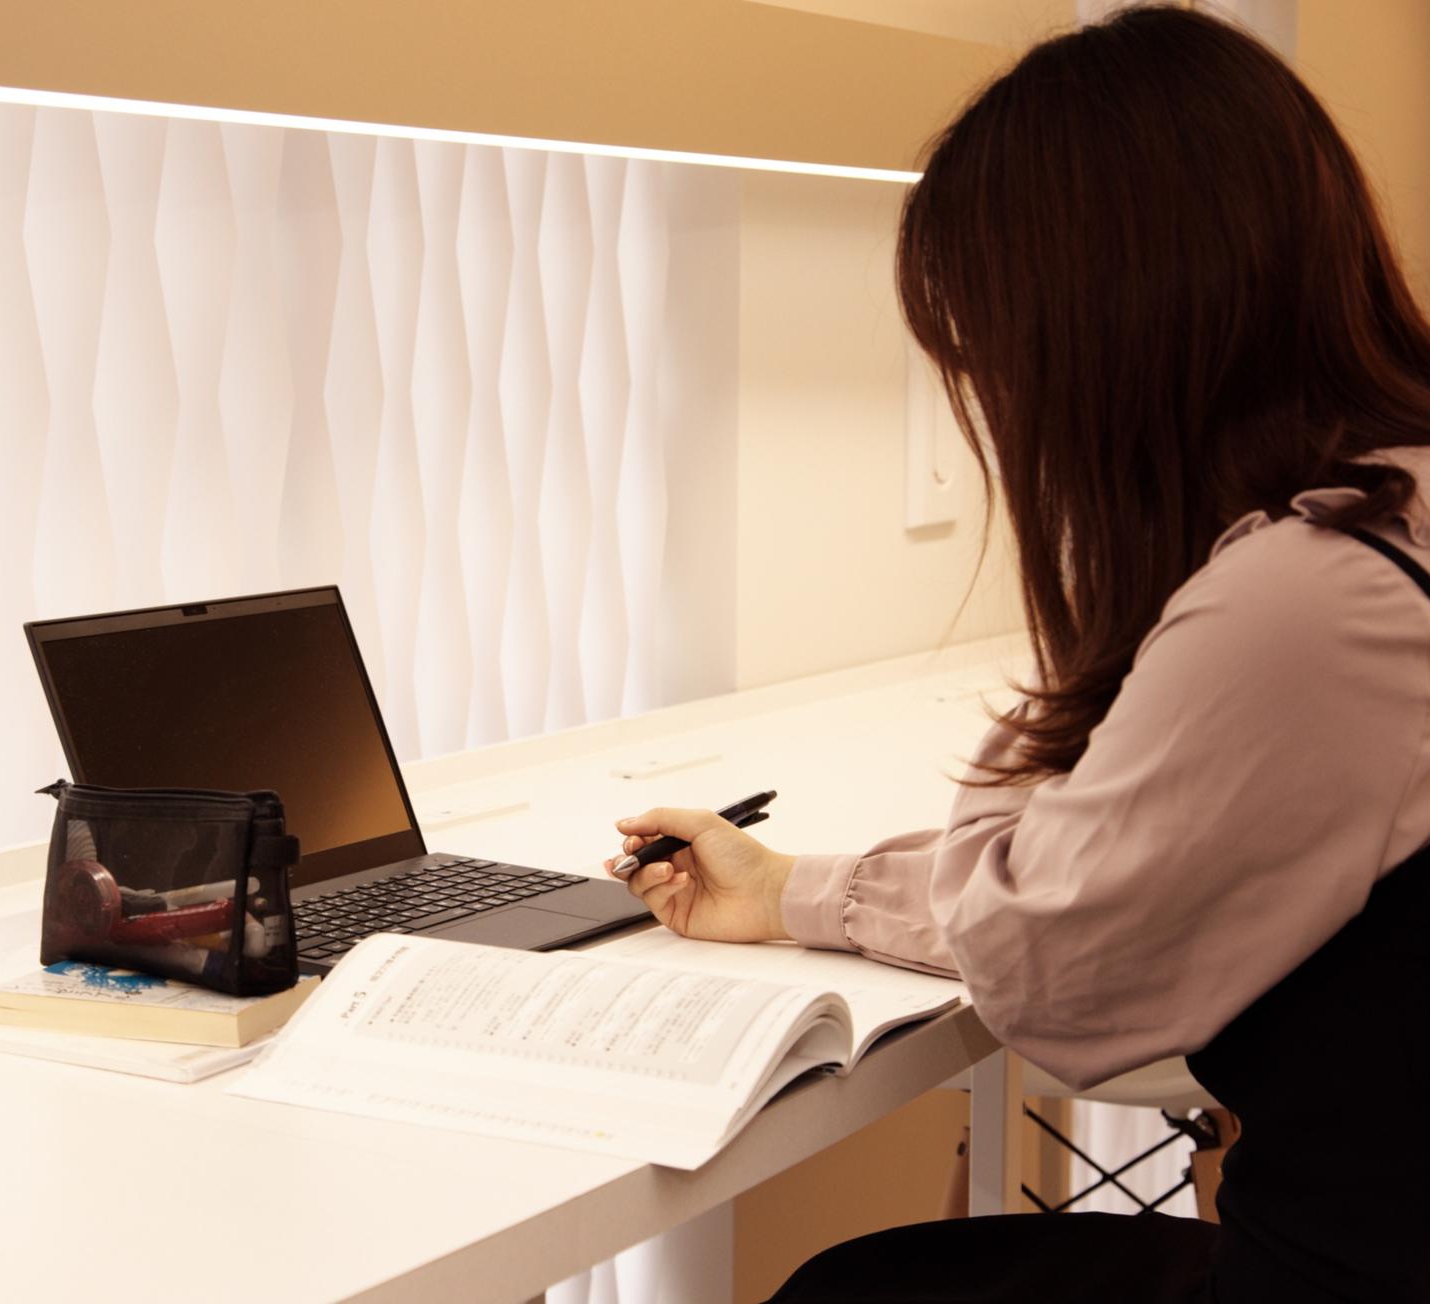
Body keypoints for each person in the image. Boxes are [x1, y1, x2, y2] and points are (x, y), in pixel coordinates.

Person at [606, 7, 1430, 1301]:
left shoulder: (1305, 598)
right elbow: (1103, 882)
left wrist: (1093, 642)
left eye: (991, 362)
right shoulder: (1391, 511)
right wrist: (789, 892)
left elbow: (1048, 981)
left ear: (1089, 349)